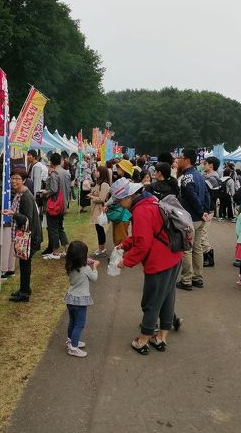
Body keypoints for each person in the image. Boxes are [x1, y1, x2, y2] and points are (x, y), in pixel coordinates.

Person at [116, 180, 183, 355]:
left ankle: (144, 339)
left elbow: (143, 244)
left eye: (119, 200)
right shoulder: (150, 201)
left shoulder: (141, 210)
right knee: (167, 297)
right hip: (173, 255)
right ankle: (161, 338)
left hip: (159, 261)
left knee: (151, 301)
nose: (119, 204)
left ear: (128, 196)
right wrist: (124, 245)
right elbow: (144, 235)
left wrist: (126, 261)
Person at [4, 169, 43, 303]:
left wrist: (12, 214)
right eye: (12, 178)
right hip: (24, 236)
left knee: (25, 265)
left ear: (24, 180)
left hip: (29, 237)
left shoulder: (25, 195)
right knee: (24, 264)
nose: (14, 181)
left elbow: (27, 219)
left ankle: (24, 293)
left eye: (17, 179)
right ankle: (24, 289)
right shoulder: (20, 193)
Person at [175, 149, 210, 291]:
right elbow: (206, 194)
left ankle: (186, 280)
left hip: (191, 218)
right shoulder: (199, 175)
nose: (178, 160)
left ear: (187, 160)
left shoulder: (187, 177)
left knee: (187, 249)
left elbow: (191, 196)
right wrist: (206, 212)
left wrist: (201, 212)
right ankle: (198, 278)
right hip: (200, 218)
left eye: (181, 157)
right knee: (197, 248)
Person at [63, 241, 99, 358]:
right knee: (80, 323)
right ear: (81, 257)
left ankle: (71, 340)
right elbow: (94, 278)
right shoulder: (86, 268)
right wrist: (95, 266)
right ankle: (73, 347)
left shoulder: (70, 265)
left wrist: (89, 261)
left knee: (72, 321)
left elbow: (83, 262)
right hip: (80, 300)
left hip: (71, 298)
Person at [42, 152, 71, 260]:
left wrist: (45, 193)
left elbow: (53, 189)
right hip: (63, 203)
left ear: (51, 162)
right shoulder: (66, 173)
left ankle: (55, 252)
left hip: (54, 204)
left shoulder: (54, 173)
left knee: (53, 228)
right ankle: (67, 248)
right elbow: (68, 190)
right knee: (60, 227)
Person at [201, 156, 220, 266]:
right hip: (208, 208)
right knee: (202, 233)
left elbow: (202, 192)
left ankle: (208, 257)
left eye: (205, 163)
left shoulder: (212, 179)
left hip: (208, 209)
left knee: (202, 233)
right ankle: (207, 256)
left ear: (211, 165)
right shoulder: (211, 177)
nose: (203, 165)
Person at [88, 165, 111, 257]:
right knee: (98, 229)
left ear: (100, 172)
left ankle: (102, 249)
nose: (95, 172)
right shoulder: (98, 183)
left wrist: (92, 197)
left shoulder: (104, 184)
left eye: (97, 171)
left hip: (100, 210)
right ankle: (100, 248)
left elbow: (102, 198)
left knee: (100, 229)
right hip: (97, 209)